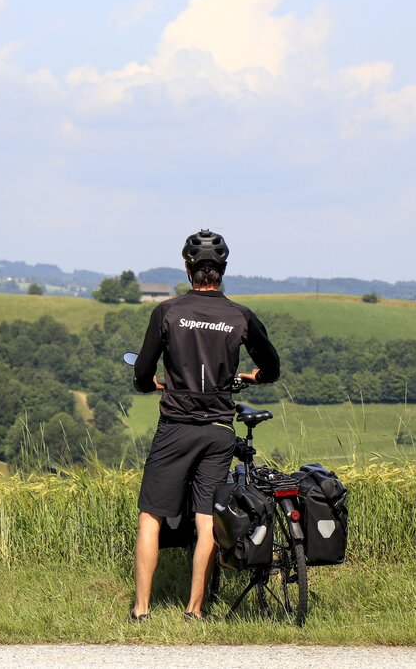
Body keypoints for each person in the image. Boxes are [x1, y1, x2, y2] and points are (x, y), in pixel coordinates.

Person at [129, 229, 280, 621]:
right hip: (217, 430)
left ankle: (141, 609)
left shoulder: (167, 312)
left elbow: (143, 371)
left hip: (175, 427)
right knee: (207, 517)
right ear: (223, 270)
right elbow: (273, 367)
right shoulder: (239, 316)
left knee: (151, 516)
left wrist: (150, 384)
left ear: (187, 268)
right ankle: (194, 610)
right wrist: (254, 377)